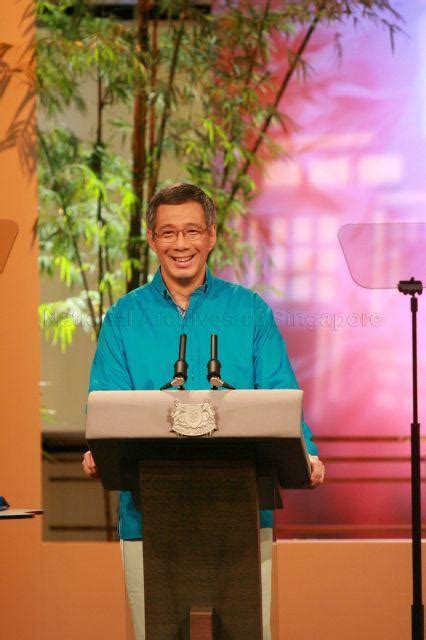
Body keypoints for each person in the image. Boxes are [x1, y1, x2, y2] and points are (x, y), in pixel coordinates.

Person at [82, 182, 325, 640]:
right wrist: (97, 448)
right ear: (152, 239)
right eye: (168, 233)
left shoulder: (249, 311)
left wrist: (306, 452)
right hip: (148, 516)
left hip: (243, 514)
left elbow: (279, 394)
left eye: (192, 231)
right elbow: (104, 403)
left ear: (211, 236)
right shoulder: (123, 318)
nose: (181, 244)